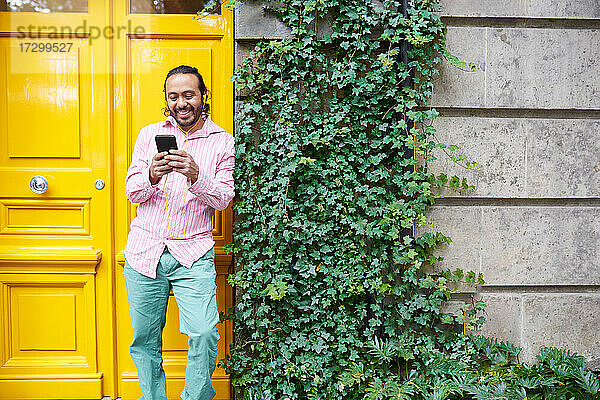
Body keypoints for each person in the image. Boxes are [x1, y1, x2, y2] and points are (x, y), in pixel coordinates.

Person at [123, 65, 235, 400]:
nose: (181, 103)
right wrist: (152, 176)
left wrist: (197, 176)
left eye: (188, 95)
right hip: (145, 251)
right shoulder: (148, 135)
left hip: (192, 253)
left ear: (203, 96)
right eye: (174, 96)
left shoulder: (222, 142)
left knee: (203, 332)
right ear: (167, 100)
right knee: (145, 340)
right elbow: (132, 191)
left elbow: (224, 198)